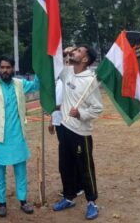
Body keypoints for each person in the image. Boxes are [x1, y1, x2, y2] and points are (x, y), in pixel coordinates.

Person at [0, 55, 39, 217]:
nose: (5, 70)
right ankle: (2, 204)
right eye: (2, 67)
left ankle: (23, 201)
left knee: (21, 172)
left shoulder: (20, 84)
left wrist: (41, 66)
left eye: (8, 67)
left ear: (13, 69)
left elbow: (37, 84)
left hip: (17, 137)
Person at [52, 45, 103, 220]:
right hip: (64, 129)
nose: (75, 51)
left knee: (85, 168)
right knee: (64, 166)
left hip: (81, 132)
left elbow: (97, 108)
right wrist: (65, 52)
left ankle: (91, 202)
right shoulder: (67, 73)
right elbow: (55, 64)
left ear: (85, 60)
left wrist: (81, 113)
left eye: (79, 51)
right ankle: (68, 197)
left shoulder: (90, 81)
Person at [48, 47, 84, 198]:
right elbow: (56, 101)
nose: (67, 59)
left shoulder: (77, 78)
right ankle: (69, 186)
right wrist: (52, 119)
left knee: (75, 155)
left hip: (72, 121)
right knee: (65, 155)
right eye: (65, 57)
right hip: (59, 120)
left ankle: (78, 186)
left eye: (71, 56)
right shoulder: (61, 77)